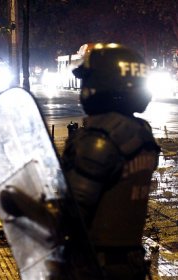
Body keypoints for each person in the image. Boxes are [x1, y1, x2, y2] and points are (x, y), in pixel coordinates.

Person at [60, 44, 160, 279]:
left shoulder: (100, 140)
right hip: (129, 264)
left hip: (94, 267)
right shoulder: (140, 133)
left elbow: (71, 213)